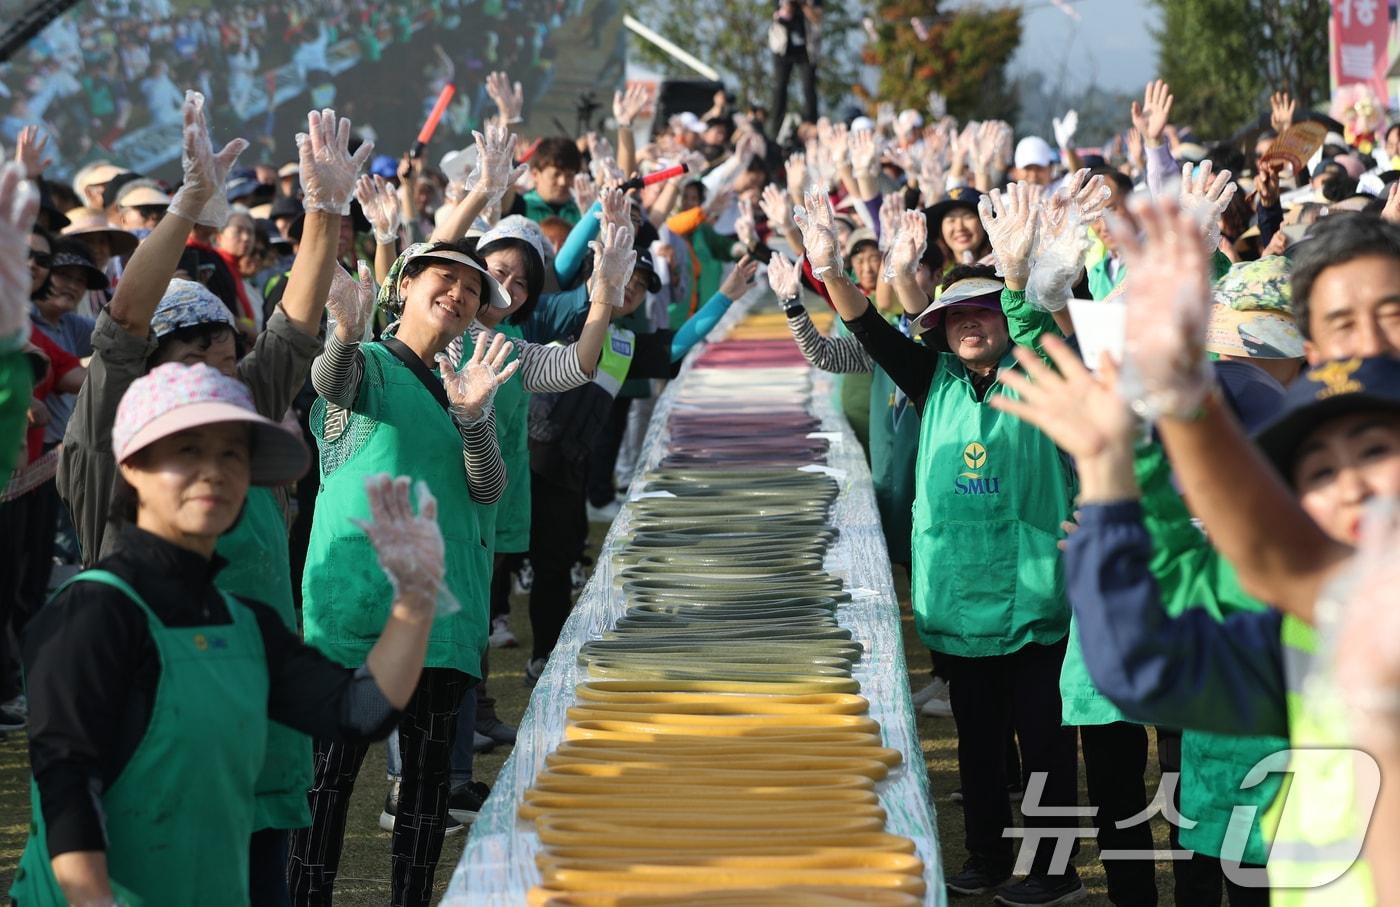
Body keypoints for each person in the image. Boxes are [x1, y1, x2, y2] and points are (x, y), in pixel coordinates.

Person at [58, 95, 370, 905]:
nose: (216, 365)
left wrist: (326, 210)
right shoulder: (110, 445)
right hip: (159, 761)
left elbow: (296, 327)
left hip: (257, 743)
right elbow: (123, 326)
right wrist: (192, 204)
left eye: (224, 345)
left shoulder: (242, 415)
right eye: (188, 352)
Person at [13, 362, 449, 907]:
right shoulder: (92, 613)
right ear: (133, 467)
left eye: (231, 454)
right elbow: (66, 783)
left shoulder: (243, 621)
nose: (214, 472)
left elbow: (358, 710)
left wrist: (415, 595)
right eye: (187, 451)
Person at [793, 186, 1085, 903]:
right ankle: (987, 856)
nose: (971, 324)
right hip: (958, 599)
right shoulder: (934, 380)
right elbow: (869, 331)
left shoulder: (1042, 375)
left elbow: (1046, 333)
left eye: (984, 310)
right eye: (956, 316)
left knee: (1043, 744)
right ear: (941, 330)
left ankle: (1054, 868)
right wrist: (832, 273)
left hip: (1036, 595)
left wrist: (1015, 282)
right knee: (980, 745)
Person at [291, 233, 518, 906]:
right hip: (354, 614)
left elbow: (488, 489)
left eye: (472, 288)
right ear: (405, 286)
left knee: (425, 789)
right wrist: (346, 328)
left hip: (445, 616)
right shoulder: (364, 363)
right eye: (443, 278)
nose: (459, 292)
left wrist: (475, 417)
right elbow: (328, 381)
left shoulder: (468, 381)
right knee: (327, 781)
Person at [524, 249, 758, 683]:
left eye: (642, 284)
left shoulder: (624, 342)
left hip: (569, 470)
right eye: (628, 276)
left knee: (556, 565)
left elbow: (678, 343)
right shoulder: (554, 317)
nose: (632, 288)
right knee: (500, 567)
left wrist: (725, 295)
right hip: (519, 461)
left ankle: (544, 656)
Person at [768, 0, 821, 135]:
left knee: (808, 88)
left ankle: (811, 123)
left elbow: (817, 18)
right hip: (783, 49)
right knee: (780, 88)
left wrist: (803, 4)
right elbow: (778, 17)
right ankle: (776, 127)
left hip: (806, 51)